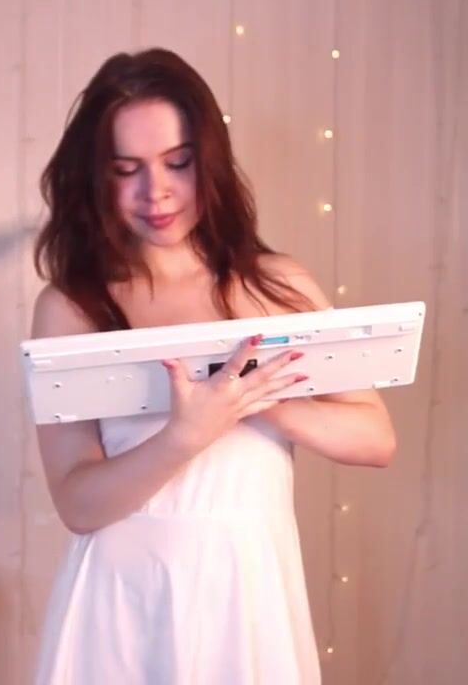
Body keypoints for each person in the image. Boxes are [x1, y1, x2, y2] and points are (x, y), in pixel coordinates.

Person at [29, 48, 397, 684]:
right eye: (126, 170)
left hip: (247, 594)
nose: (157, 191)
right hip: (121, 604)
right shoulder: (72, 306)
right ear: (97, 179)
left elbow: (376, 440)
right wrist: (185, 435)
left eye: (178, 162)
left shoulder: (277, 286)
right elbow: (78, 504)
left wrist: (259, 399)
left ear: (210, 160)